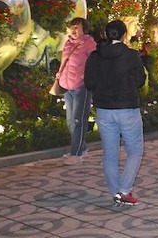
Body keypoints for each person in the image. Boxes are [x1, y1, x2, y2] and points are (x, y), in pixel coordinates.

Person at [84, 20, 146, 206]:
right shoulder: (131, 55)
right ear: (123, 34)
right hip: (127, 108)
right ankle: (124, 190)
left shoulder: (95, 56)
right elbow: (140, 80)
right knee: (134, 151)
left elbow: (89, 83)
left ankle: (115, 192)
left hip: (104, 110)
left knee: (110, 154)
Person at [59, 17, 97, 165]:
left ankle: (75, 154)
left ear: (84, 29)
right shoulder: (68, 43)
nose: (74, 30)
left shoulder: (89, 44)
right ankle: (81, 148)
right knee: (70, 120)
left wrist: (86, 76)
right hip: (67, 86)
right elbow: (64, 62)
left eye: (77, 27)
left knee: (78, 120)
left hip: (82, 86)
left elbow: (95, 63)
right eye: (72, 27)